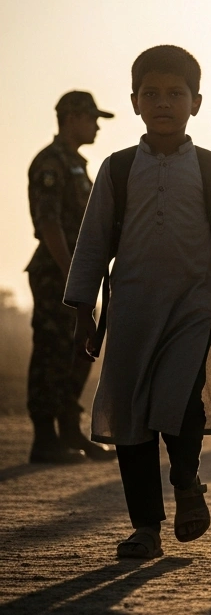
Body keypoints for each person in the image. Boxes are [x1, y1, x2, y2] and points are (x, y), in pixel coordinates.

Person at [66, 46, 211, 558]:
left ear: (196, 102)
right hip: (129, 311)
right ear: (134, 102)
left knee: (181, 402)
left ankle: (187, 480)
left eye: (176, 93)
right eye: (151, 94)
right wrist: (83, 312)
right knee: (132, 416)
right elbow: (92, 244)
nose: (164, 103)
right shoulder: (118, 169)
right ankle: (146, 528)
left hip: (191, 310)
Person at [26, 91, 115, 464]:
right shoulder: (51, 163)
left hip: (76, 274)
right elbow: (48, 224)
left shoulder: (76, 163)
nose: (96, 125)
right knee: (52, 351)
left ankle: (69, 430)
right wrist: (69, 273)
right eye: (91, 117)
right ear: (73, 117)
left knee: (79, 351)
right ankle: (45, 438)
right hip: (55, 273)